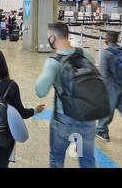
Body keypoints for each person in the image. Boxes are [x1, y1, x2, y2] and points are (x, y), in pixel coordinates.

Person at [35, 22, 97, 168]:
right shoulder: (85, 54)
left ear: (52, 38)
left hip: (64, 120)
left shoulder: (53, 62)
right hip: (86, 118)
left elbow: (40, 91)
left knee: (56, 159)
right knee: (86, 160)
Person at [96, 31, 122, 142]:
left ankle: (102, 131)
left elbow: (103, 74)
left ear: (107, 39)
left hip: (111, 86)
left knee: (108, 109)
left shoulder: (106, 53)